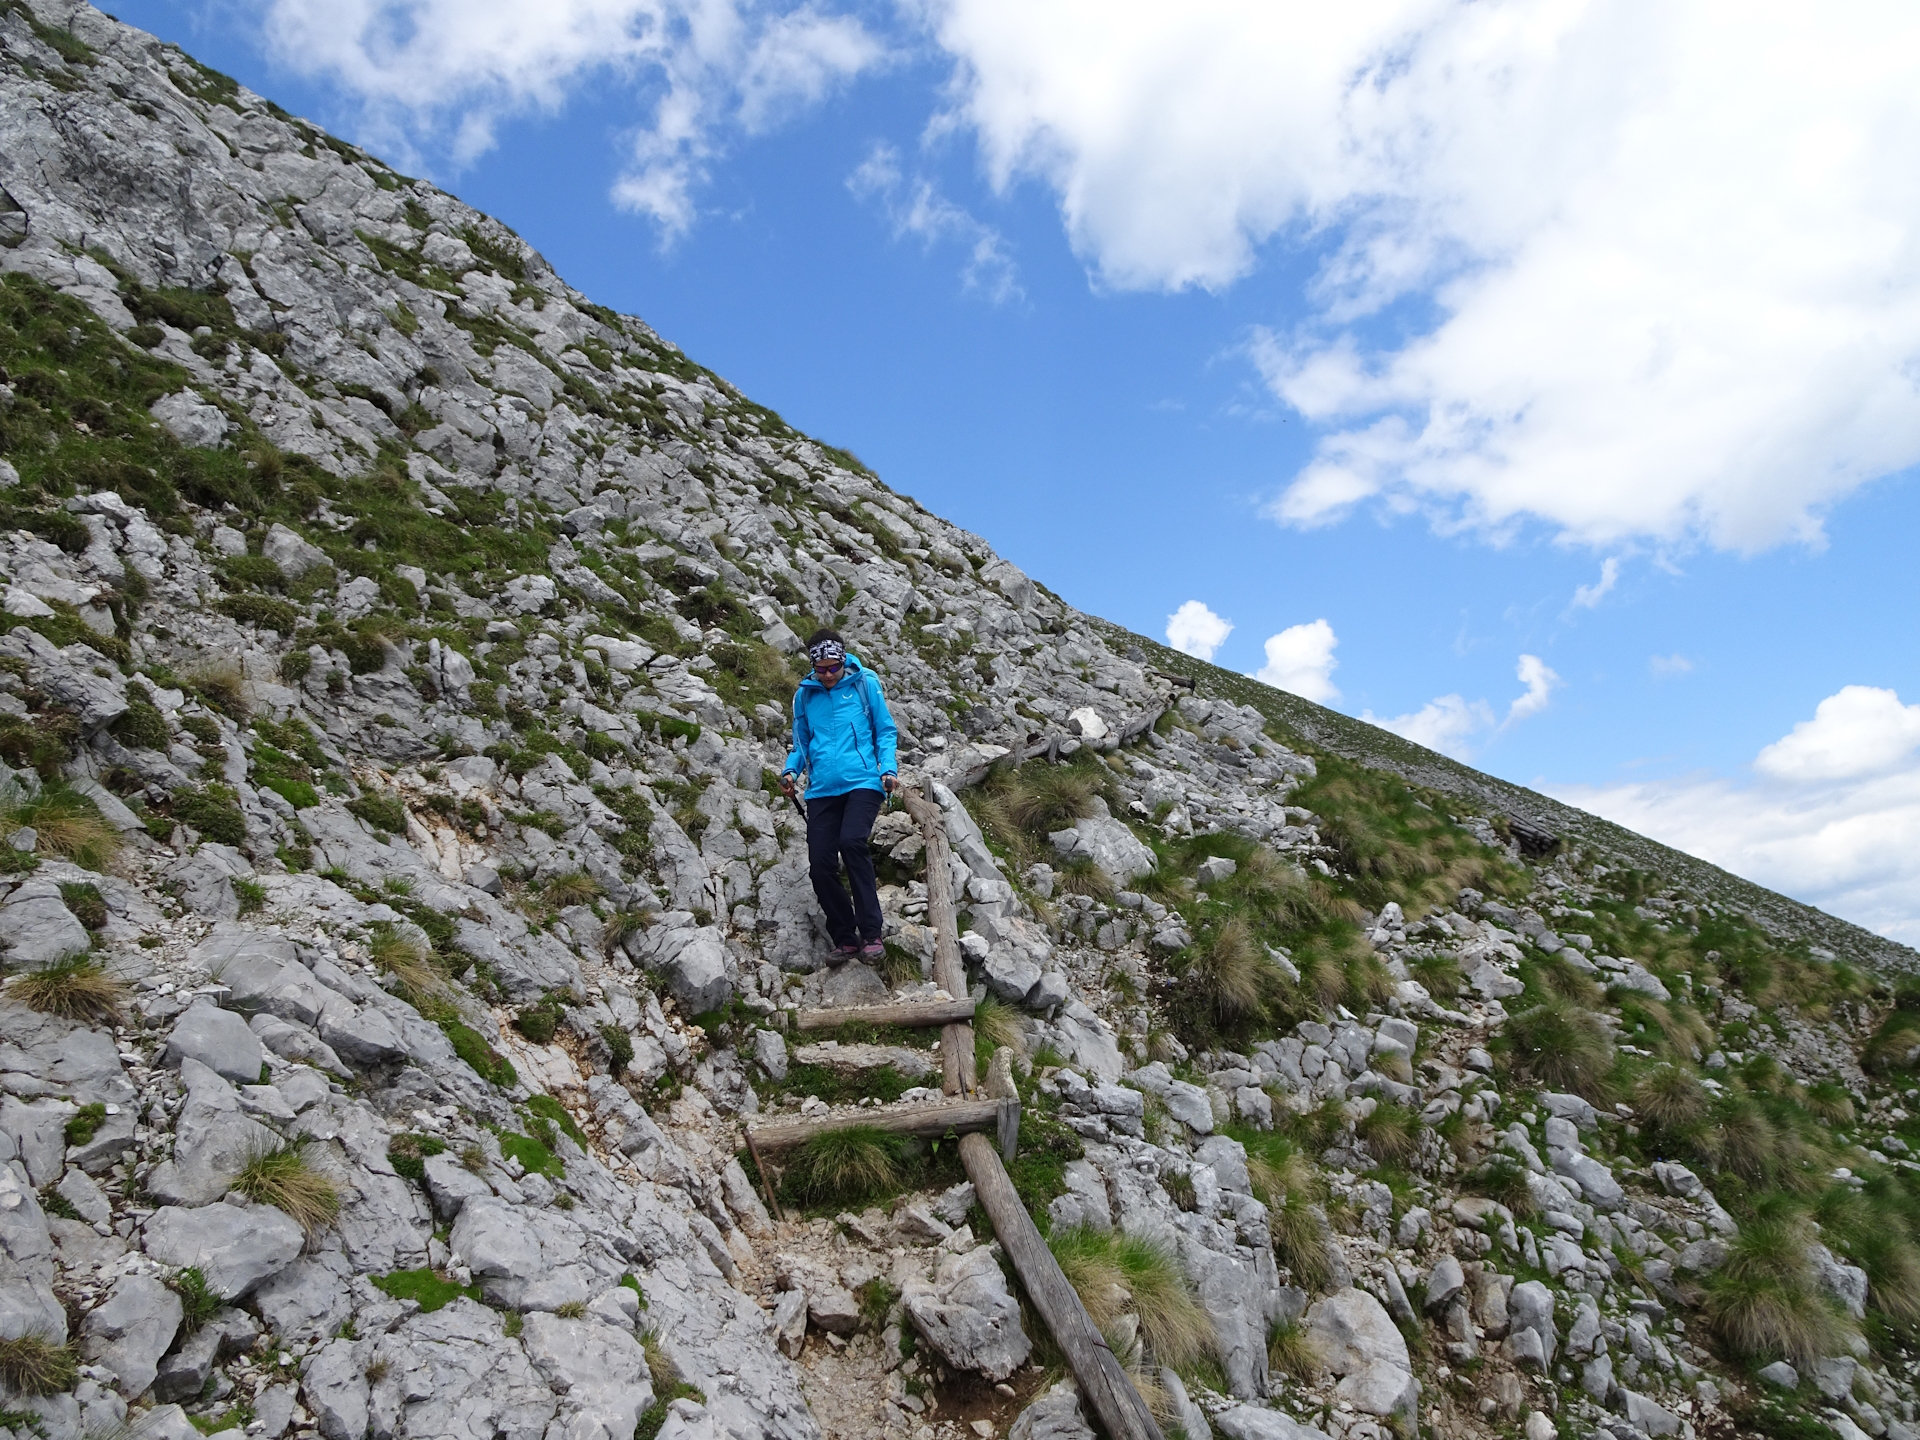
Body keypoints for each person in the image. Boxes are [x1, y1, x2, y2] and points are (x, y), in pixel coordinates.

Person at [780, 629, 898, 963]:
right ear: (813, 666)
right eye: (822, 669)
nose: (829, 674)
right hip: (821, 790)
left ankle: (872, 934)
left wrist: (888, 769)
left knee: (852, 842)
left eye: (834, 667)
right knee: (820, 865)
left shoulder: (865, 684)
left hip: (863, 782)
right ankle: (845, 938)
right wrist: (790, 772)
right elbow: (802, 742)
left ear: (843, 659)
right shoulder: (804, 696)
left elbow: (885, 730)